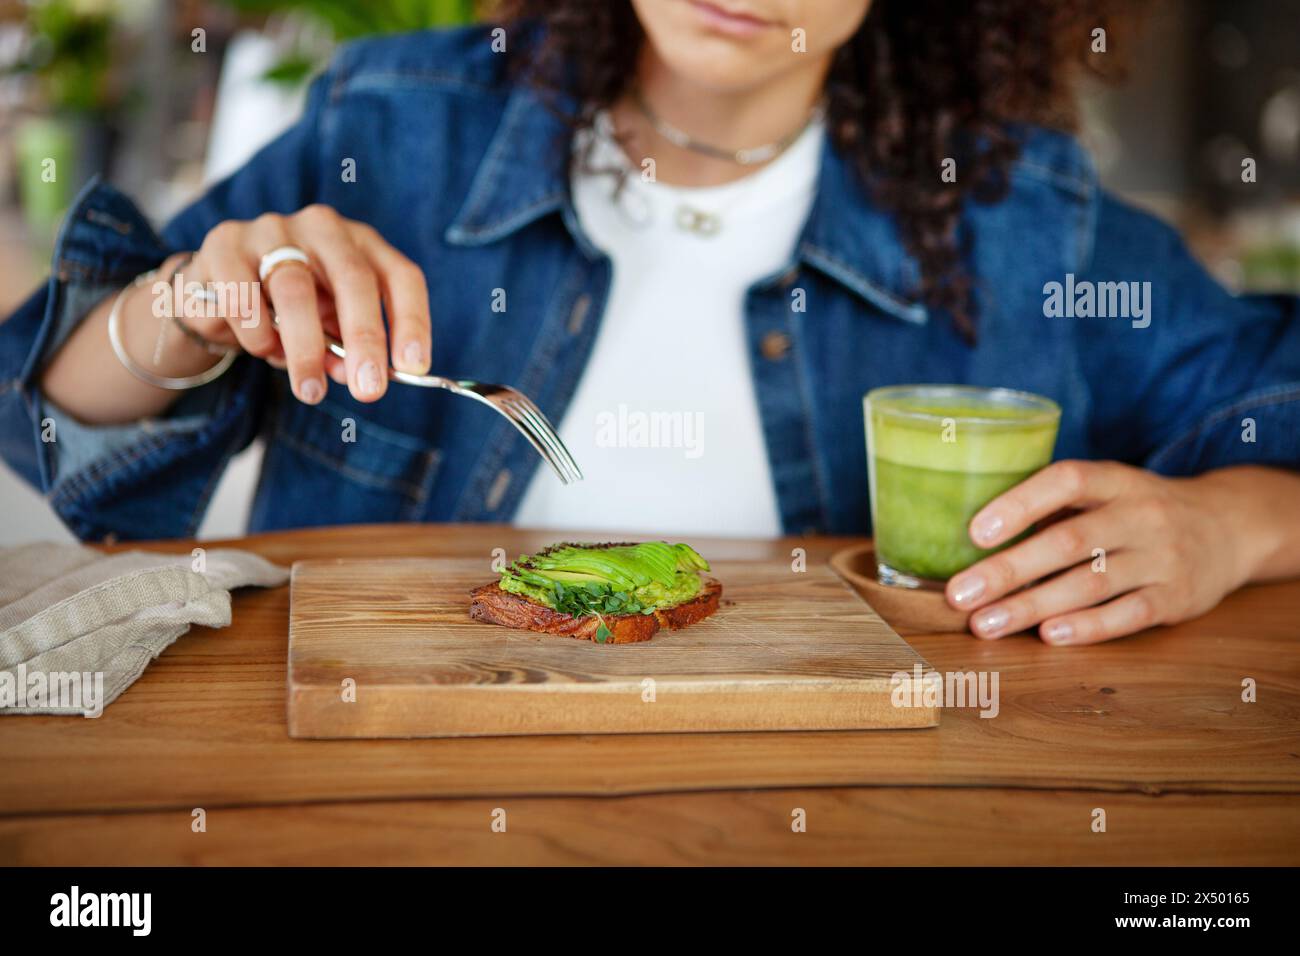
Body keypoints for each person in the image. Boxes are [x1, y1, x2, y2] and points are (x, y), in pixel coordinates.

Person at [2, 0, 1299, 646]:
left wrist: (1229, 526)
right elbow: (38, 422)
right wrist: (178, 311)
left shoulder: (1025, 217)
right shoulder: (395, 122)